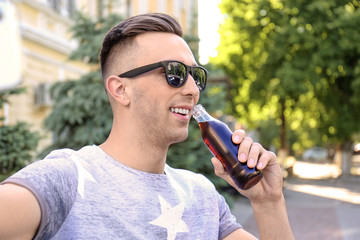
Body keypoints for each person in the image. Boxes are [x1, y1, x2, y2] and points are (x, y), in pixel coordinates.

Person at [0, 13, 294, 240]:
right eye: (174, 73)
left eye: (196, 75)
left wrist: (269, 202)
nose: (193, 89)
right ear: (120, 89)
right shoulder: (66, 178)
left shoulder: (202, 194)